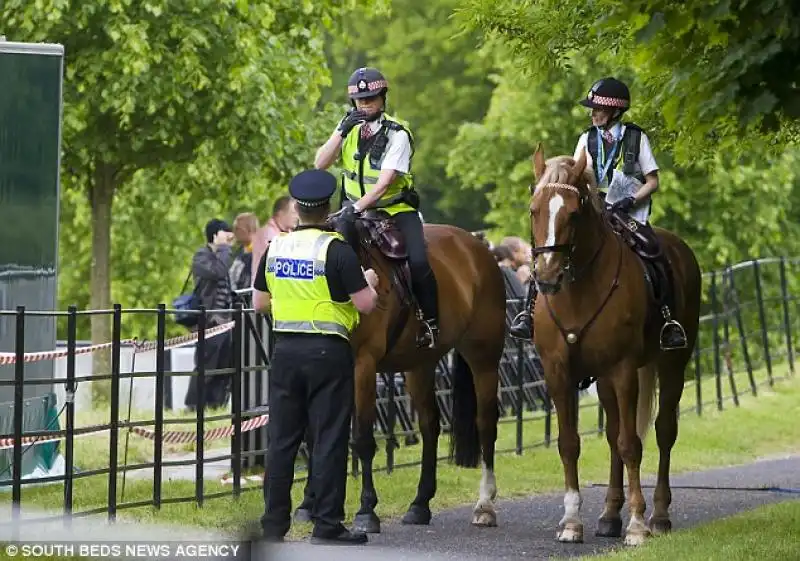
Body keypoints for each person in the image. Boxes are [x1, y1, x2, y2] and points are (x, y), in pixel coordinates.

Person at [509, 77, 687, 350]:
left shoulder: (636, 138)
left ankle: (667, 320)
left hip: (629, 211)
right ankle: (529, 313)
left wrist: (631, 199)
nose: (593, 114)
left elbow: (653, 181)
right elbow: (576, 173)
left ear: (615, 111)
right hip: (596, 208)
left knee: (653, 249)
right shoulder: (586, 138)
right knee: (552, 246)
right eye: (592, 110)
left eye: (598, 110)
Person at [253, 169, 380, 545]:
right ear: (326, 210)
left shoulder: (276, 247)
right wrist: (369, 281)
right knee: (328, 438)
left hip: (286, 351)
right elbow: (366, 305)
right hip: (327, 352)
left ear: (296, 209)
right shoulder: (335, 249)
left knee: (282, 441)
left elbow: (260, 303)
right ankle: (326, 525)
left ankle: (274, 526)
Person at [314, 66, 440, 348]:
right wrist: (339, 132)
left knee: (418, 263)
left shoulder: (399, 134)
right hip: (352, 211)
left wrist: (354, 208)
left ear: (383, 98)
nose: (365, 104)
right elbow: (320, 163)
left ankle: (430, 322)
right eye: (360, 101)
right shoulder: (348, 128)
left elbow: (383, 185)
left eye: (371, 98)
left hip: (394, 210)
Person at [185, 219, 235, 411]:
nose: (229, 235)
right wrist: (223, 249)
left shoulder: (223, 255)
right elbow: (218, 272)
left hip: (226, 320)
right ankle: (194, 405)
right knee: (206, 363)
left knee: (223, 364)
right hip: (209, 320)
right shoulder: (201, 256)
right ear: (214, 234)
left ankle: (215, 404)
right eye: (225, 232)